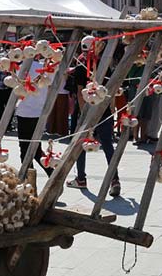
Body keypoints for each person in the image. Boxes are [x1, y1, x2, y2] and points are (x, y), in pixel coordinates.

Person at [66, 35, 121, 196]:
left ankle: (81, 178)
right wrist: (111, 110)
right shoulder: (102, 64)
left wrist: (85, 115)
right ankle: (114, 179)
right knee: (107, 145)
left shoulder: (81, 65)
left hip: (87, 109)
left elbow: (79, 91)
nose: (101, 47)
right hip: (103, 109)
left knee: (81, 144)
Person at [14, 53, 53, 177]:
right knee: (35, 148)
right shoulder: (46, 70)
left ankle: (30, 178)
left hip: (24, 112)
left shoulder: (21, 68)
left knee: (25, 149)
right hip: (39, 113)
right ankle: (49, 172)